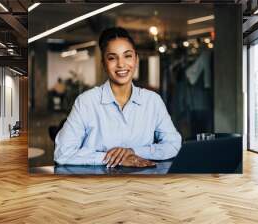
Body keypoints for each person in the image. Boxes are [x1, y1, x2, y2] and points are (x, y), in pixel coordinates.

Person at [54, 27, 182, 168]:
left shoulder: (153, 101)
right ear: (103, 64)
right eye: (112, 58)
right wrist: (114, 159)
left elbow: (174, 145)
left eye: (127, 56)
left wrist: (133, 152)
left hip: (142, 184)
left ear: (136, 59)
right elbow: (62, 152)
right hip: (97, 186)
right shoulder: (87, 102)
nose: (121, 64)